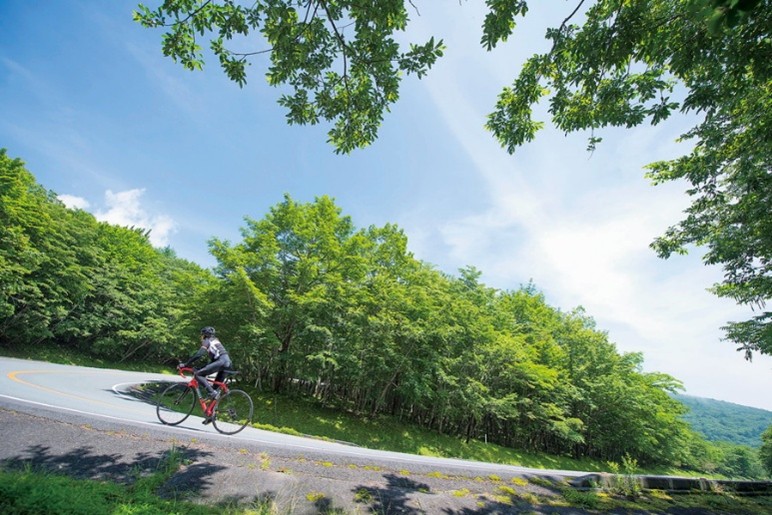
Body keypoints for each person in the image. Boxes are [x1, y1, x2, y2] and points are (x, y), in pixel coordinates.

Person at [180, 326, 232, 409]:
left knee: (198, 375)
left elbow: (199, 354)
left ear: (204, 335)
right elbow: (212, 363)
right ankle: (211, 414)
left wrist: (186, 364)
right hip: (227, 363)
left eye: (201, 335)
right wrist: (201, 368)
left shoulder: (207, 341)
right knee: (214, 391)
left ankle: (212, 393)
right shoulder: (216, 341)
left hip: (221, 362)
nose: (201, 337)